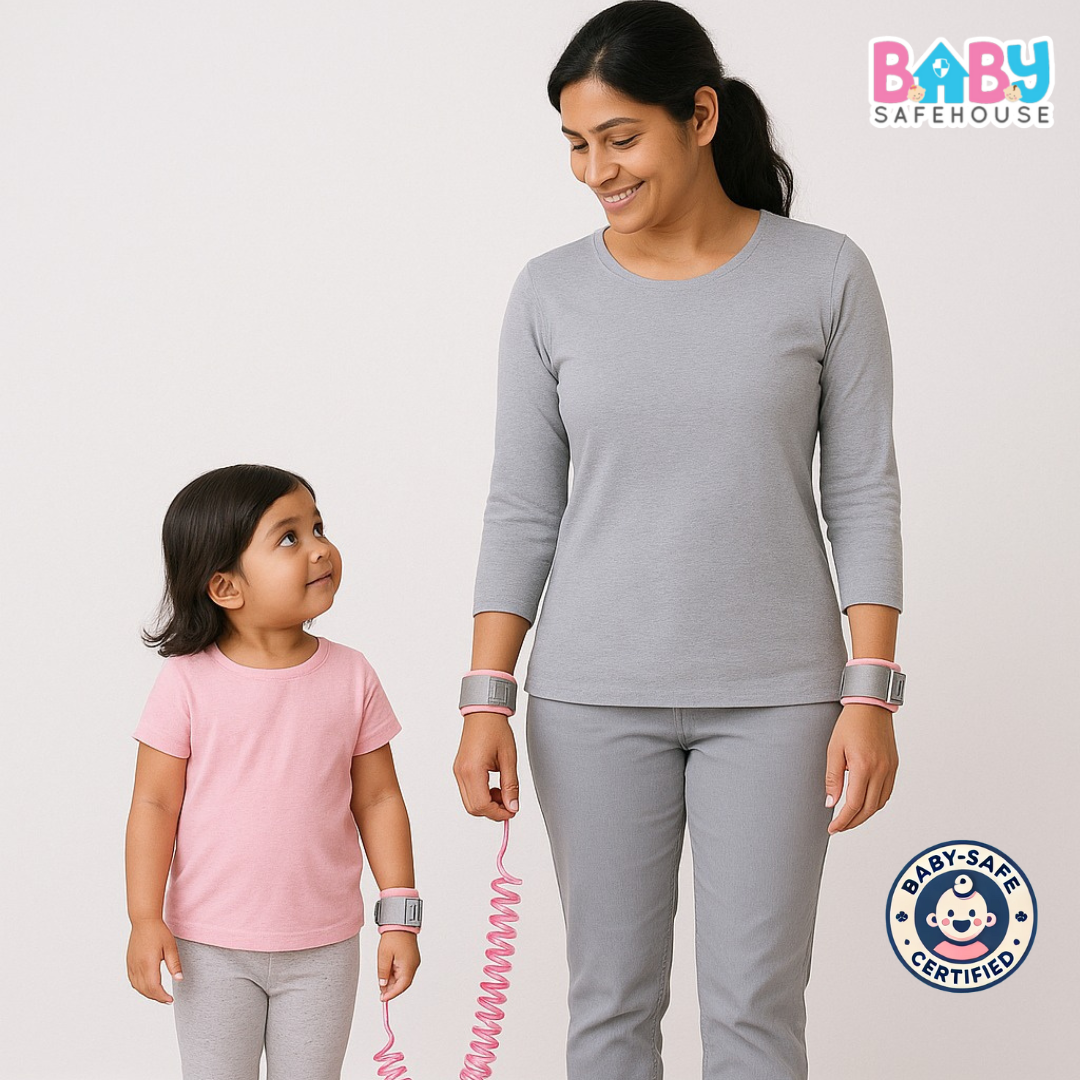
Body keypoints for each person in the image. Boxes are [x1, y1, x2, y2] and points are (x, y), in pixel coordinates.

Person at [453, 3, 906, 1079]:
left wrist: (872, 693)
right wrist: (485, 700)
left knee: (756, 1013)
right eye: (576, 144)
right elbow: (522, 506)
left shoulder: (826, 273)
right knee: (609, 1009)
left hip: (781, 698)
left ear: (700, 116)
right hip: (590, 698)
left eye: (621, 139)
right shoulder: (550, 291)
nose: (596, 171)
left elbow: (862, 493)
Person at [124, 464, 422, 1080]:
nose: (318, 548)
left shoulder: (353, 675)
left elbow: (379, 801)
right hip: (210, 948)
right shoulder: (185, 683)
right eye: (289, 537)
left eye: (318, 527)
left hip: (324, 949)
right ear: (225, 586)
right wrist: (144, 919)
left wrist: (400, 915)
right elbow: (153, 805)